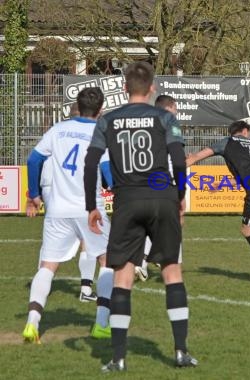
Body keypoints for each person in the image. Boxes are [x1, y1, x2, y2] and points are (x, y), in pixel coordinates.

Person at [84, 61, 197, 372]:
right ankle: (180, 352)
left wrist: (90, 206)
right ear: (152, 88)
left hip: (127, 201)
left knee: (123, 277)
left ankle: (118, 358)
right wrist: (180, 195)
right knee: (172, 272)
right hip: (162, 197)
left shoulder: (108, 120)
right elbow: (179, 160)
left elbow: (91, 164)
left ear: (124, 88)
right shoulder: (164, 116)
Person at [23, 87, 114, 344]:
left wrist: (35, 194)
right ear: (101, 110)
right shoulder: (100, 133)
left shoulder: (57, 130)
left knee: (48, 266)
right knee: (107, 263)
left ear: (77, 106)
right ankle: (102, 324)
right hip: (90, 211)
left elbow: (33, 160)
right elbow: (107, 174)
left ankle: (32, 322)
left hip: (58, 209)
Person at [186, 120, 250, 286]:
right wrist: (223, 183)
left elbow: (197, 157)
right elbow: (248, 173)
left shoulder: (227, 142)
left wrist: (181, 164)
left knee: (247, 229)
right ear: (245, 131)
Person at [135, 94, 179, 282]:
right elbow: (176, 159)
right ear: (169, 108)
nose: (177, 112)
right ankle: (165, 263)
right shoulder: (169, 125)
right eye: (176, 108)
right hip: (164, 183)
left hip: (144, 182)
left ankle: (142, 264)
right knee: (168, 226)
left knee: (149, 224)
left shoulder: (145, 123)